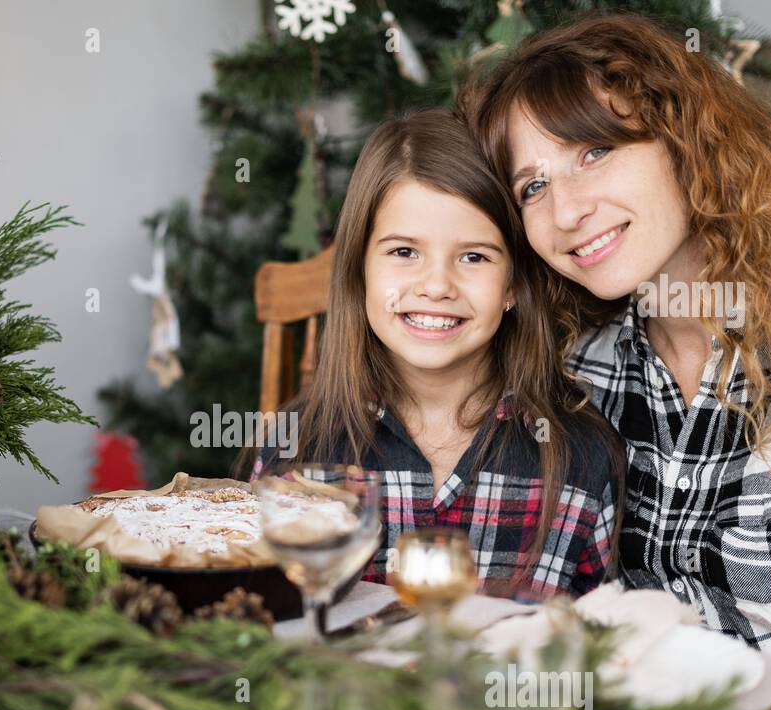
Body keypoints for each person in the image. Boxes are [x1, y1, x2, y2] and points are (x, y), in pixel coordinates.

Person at [469, 12, 771, 662]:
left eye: (595, 151)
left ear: (685, 143)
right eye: (533, 186)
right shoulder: (583, 371)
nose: (567, 211)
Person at [243, 108, 622, 600]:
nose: (437, 286)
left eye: (473, 257)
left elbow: (603, 646)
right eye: (404, 252)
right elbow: (261, 626)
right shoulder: (292, 451)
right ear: (360, 272)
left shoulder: (583, 456)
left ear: (512, 286)